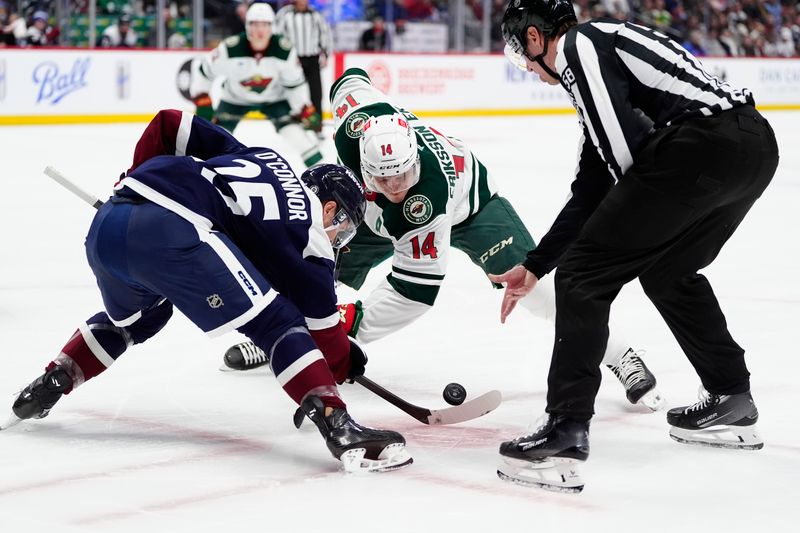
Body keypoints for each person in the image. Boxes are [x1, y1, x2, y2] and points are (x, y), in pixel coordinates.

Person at [222, 66, 665, 413]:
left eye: (404, 176)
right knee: (321, 262)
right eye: (386, 179)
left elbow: (414, 291)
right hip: (374, 215)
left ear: (415, 158)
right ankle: (286, 336)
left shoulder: (424, 199)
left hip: (472, 209)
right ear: (362, 160)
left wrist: (349, 324)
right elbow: (351, 82)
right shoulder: (355, 127)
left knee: (534, 290)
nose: (398, 187)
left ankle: (621, 353)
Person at [2, 109, 412, 473]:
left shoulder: (263, 157)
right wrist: (344, 358)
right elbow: (322, 335)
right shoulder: (313, 239)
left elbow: (170, 124)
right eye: (343, 226)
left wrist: (136, 178)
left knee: (142, 316)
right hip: (174, 230)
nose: (338, 238)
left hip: (109, 224)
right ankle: (338, 424)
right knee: (278, 324)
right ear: (329, 208)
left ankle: (58, 376)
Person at [493, 0, 778, 492]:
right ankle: (732, 397)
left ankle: (565, 429)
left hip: (702, 146)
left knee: (583, 275)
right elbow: (593, 181)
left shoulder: (580, 46)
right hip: (751, 146)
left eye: (522, 54)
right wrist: (536, 265)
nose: (531, 71)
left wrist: (589, 251)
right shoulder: (603, 59)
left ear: (536, 39)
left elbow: (622, 158)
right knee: (669, 272)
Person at [190, 2, 322, 167]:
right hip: (234, 100)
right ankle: (203, 173)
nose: (260, 30)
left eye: (265, 25)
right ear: (247, 26)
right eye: (254, 24)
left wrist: (304, 109)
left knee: (297, 136)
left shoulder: (284, 51)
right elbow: (203, 71)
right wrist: (203, 102)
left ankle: (321, 173)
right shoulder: (229, 48)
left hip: (274, 99)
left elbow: (294, 84)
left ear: (272, 27)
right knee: (216, 139)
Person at [275, 0, 332, 136]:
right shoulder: (285, 14)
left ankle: (317, 128)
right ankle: (291, 125)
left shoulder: (316, 15)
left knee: (316, 94)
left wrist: (325, 54)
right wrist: (283, 56)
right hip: (293, 60)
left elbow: (324, 35)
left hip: (312, 59)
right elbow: (278, 35)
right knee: (292, 93)